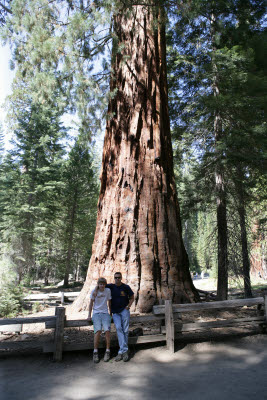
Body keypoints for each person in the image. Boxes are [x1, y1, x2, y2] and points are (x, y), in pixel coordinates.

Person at [106, 272, 134, 362]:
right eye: (116, 277)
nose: (117, 279)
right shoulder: (111, 286)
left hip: (124, 311)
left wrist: (128, 306)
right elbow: (100, 285)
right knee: (118, 328)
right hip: (115, 312)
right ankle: (124, 350)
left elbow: (132, 297)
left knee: (125, 330)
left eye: (119, 277)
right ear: (114, 278)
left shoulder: (126, 287)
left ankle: (121, 352)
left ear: (121, 278)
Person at [88, 277, 112, 363]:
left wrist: (110, 313)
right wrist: (89, 315)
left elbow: (109, 302)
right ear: (98, 284)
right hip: (96, 313)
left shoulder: (108, 290)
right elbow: (91, 303)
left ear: (105, 284)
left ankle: (108, 351)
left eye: (103, 284)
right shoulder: (94, 292)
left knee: (107, 331)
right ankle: (95, 352)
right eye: (100, 284)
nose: (102, 286)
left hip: (105, 313)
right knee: (97, 331)